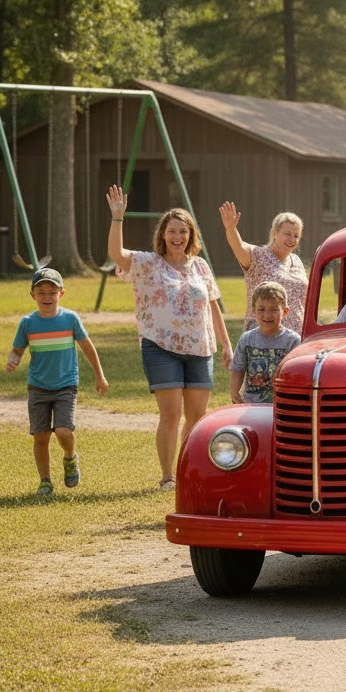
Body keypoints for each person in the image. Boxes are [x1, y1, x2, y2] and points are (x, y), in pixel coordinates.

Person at [107, 185, 232, 490]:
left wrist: (226, 343)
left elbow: (213, 307)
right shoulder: (148, 263)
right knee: (172, 413)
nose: (178, 236)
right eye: (172, 230)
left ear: (191, 236)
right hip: (160, 347)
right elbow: (117, 254)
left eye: (183, 231)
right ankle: (168, 477)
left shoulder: (200, 266)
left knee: (198, 415)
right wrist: (118, 218)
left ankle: (188, 470)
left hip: (200, 347)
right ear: (163, 234)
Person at [6, 268, 109, 496]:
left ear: (61, 294)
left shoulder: (69, 319)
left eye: (52, 292)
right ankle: (45, 481)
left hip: (65, 385)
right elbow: (17, 349)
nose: (46, 297)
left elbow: (87, 347)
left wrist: (99, 375)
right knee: (41, 436)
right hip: (38, 387)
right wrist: (13, 361)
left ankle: (70, 458)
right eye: (41, 292)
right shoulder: (28, 323)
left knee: (63, 431)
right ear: (32, 295)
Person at [219, 202, 309, 335]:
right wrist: (231, 229)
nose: (292, 239)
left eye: (296, 235)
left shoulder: (296, 261)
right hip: (264, 337)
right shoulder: (258, 256)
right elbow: (239, 246)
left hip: (295, 336)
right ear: (274, 233)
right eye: (287, 234)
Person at [230, 282, 301, 405]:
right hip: (251, 404)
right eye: (261, 309)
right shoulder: (247, 339)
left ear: (285, 311)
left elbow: (299, 374)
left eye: (274, 309)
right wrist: (234, 393)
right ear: (253, 311)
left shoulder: (293, 341)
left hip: (282, 404)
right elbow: (238, 368)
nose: (267, 315)